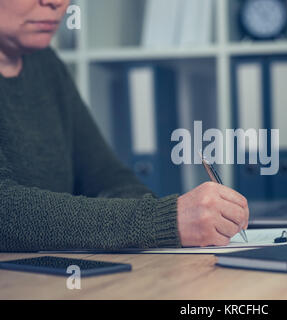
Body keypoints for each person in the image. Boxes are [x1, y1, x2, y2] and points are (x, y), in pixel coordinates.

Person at [0, 0, 249, 252]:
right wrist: (164, 221)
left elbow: (107, 177)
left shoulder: (44, 63)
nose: (55, 2)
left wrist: (178, 220)